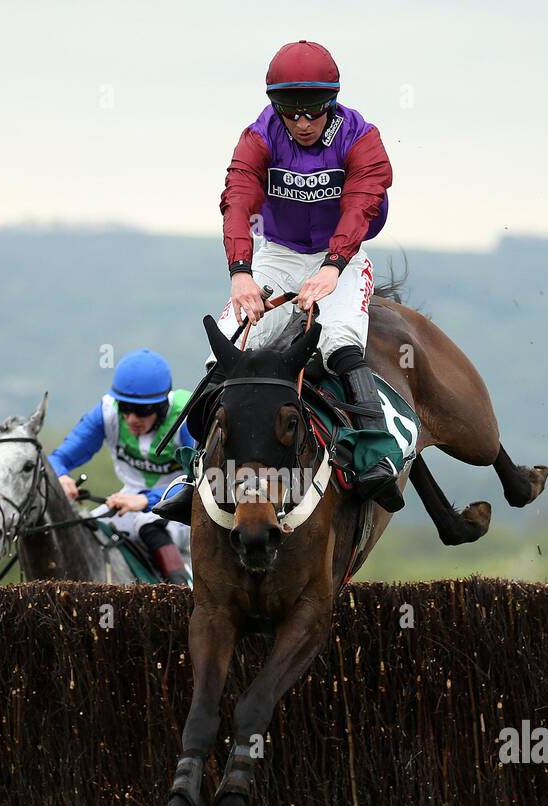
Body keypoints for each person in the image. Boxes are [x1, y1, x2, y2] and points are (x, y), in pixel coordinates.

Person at [154, 38, 403, 524]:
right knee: (227, 345)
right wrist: (240, 273)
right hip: (279, 255)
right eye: (290, 111)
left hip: (342, 255)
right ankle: (197, 474)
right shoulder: (258, 136)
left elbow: (363, 203)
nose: (302, 122)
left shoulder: (362, 136)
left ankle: (376, 455)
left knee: (339, 340)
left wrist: (333, 265)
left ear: (330, 102)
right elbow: (237, 200)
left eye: (313, 110)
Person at [50, 349, 195, 585]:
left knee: (146, 523)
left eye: (141, 410)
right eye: (125, 408)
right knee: (82, 529)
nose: (131, 419)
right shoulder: (106, 412)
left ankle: (183, 595)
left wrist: (148, 501)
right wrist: (61, 477)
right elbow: (58, 459)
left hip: (184, 507)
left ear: (161, 406)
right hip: (130, 500)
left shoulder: (187, 416)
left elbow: (201, 480)